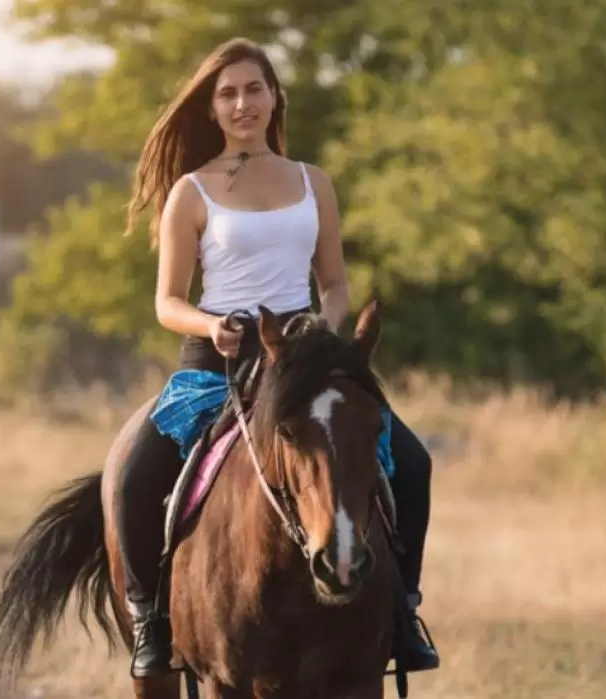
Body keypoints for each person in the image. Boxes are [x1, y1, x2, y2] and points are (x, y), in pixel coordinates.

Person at [114, 36, 440, 679]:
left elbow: (337, 283)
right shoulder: (191, 191)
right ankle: (152, 621)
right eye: (228, 93)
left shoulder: (312, 182)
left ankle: (401, 611)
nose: (243, 104)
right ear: (212, 109)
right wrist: (214, 325)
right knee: (132, 479)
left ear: (274, 98)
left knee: (412, 461)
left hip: (305, 360)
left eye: (254, 89)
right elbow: (167, 300)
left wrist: (324, 326)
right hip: (218, 366)